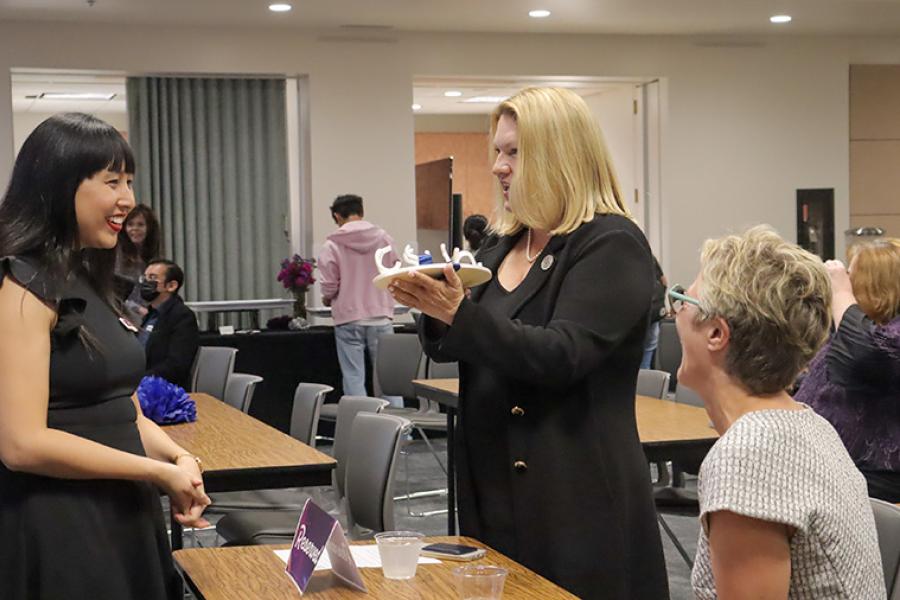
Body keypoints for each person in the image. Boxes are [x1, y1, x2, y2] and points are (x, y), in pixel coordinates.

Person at [388, 87, 668, 599]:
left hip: (574, 494)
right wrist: (436, 309)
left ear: (560, 156)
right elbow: (457, 344)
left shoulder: (610, 244)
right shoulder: (501, 245)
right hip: (492, 487)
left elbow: (562, 354)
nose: (498, 166)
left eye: (513, 152)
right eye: (497, 151)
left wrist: (458, 314)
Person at [0, 113, 210, 600]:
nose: (127, 199)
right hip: (60, 524)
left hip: (121, 511)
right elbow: (21, 443)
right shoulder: (22, 289)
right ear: (58, 185)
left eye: (130, 181)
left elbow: (124, 410)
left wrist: (177, 455)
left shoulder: (87, 279)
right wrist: (156, 471)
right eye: (110, 181)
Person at [670, 226, 884, 599]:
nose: (674, 313)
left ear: (717, 334)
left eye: (682, 300)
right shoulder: (807, 421)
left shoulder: (747, 459)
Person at [795, 238, 900, 502]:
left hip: (873, 480)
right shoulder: (860, 330)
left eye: (851, 278)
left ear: (874, 286)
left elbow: (865, 354)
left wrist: (841, 295)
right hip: (830, 469)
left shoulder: (886, 338)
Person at [317, 194, 399, 399]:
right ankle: (400, 429)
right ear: (361, 212)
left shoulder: (332, 245)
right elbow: (395, 272)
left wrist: (327, 298)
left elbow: (329, 285)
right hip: (381, 316)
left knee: (353, 377)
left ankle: (359, 426)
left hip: (348, 318)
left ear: (337, 216)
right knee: (388, 379)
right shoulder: (384, 239)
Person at [138, 258, 200, 391]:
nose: (146, 283)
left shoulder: (182, 316)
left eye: (152, 278)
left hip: (164, 391)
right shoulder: (150, 315)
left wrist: (138, 379)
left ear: (171, 286)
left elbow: (176, 365)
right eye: (145, 278)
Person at [114, 203, 160, 322]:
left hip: (147, 317)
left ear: (149, 228)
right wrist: (138, 309)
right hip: (123, 315)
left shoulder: (153, 257)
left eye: (140, 225)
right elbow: (113, 294)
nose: (134, 229)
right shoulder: (117, 255)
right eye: (130, 224)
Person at [642, 255, 668, 369]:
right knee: (647, 359)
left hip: (638, 317)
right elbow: (664, 281)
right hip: (654, 314)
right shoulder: (649, 256)